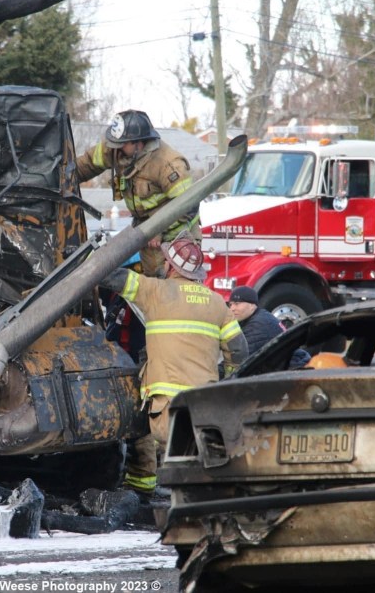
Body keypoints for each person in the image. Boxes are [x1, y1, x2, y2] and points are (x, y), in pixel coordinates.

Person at [101, 236, 248, 495]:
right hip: (205, 403)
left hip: (167, 407)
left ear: (170, 266)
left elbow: (112, 277)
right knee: (199, 460)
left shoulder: (155, 291)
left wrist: (92, 258)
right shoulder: (217, 302)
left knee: (176, 458)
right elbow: (239, 350)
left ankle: (169, 496)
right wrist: (225, 381)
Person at [76, 110, 199, 277]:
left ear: (139, 143)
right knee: (152, 286)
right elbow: (87, 164)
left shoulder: (169, 165)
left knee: (174, 287)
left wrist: (157, 229)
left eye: (122, 144)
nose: (116, 147)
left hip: (178, 237)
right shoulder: (117, 148)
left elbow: (189, 206)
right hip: (147, 234)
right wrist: (62, 178)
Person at [228, 285, 311, 371]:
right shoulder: (253, 318)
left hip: (293, 370)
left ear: (252, 305)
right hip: (283, 368)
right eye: (230, 305)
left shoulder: (259, 324)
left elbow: (237, 361)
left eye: (237, 304)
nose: (232, 309)